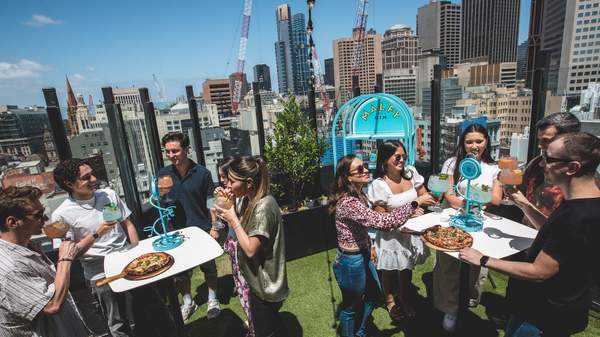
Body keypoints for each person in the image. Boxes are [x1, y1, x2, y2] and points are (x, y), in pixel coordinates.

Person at [460, 132, 600, 337]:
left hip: (542, 315)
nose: (542, 164)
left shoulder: (576, 217)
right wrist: (523, 203)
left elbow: (539, 271)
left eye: (549, 159)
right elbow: (553, 231)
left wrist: (482, 259)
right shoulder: (585, 202)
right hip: (566, 308)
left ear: (572, 168)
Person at [329, 154, 433, 337]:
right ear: (348, 177)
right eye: (360, 169)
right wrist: (415, 203)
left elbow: (364, 227)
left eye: (365, 166)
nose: (366, 170)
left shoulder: (359, 194)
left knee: (372, 296)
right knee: (351, 307)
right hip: (350, 262)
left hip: (363, 253)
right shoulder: (349, 202)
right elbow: (382, 221)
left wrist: (371, 247)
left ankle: (360, 332)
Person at [52, 159, 139, 337]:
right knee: (118, 324)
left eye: (92, 173)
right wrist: (96, 234)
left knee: (144, 312)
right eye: (86, 177)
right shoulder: (61, 215)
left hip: (129, 263)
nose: (94, 179)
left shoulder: (108, 195)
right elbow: (69, 254)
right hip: (101, 274)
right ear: (69, 184)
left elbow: (127, 224)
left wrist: (137, 252)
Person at [434, 122, 503, 332]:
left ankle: (469, 301)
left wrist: (475, 202)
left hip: (479, 222)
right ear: (462, 144)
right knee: (448, 265)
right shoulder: (452, 163)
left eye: (479, 141)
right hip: (453, 220)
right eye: (469, 141)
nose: (474, 145)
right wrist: (471, 201)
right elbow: (448, 194)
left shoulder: (494, 168)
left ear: (487, 142)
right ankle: (449, 308)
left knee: (475, 265)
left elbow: (497, 199)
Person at [0, 186, 90, 337]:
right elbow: (51, 305)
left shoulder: (27, 246)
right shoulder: (10, 268)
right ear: (13, 222)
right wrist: (65, 259)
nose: (46, 219)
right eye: (38, 215)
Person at [213, 156, 288, 337]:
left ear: (248, 183)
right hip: (257, 281)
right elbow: (243, 228)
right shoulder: (249, 200)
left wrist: (232, 218)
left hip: (265, 286)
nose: (227, 185)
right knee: (270, 325)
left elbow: (250, 249)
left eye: (231, 181)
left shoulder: (264, 206)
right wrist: (230, 208)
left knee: (265, 330)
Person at [367, 140, 434, 321]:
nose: (402, 160)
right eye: (397, 156)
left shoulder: (411, 173)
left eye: (404, 156)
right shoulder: (378, 185)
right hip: (391, 236)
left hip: (411, 233)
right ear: (385, 159)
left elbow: (425, 196)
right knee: (389, 270)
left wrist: (431, 200)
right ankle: (389, 300)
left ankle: (404, 298)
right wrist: (409, 212)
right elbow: (381, 217)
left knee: (406, 268)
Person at [157, 132, 219, 321]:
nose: (170, 155)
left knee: (209, 267)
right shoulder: (163, 175)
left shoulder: (202, 173)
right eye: (167, 151)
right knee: (181, 272)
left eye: (175, 151)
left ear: (187, 150)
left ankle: (213, 299)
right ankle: (188, 302)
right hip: (176, 232)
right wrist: (159, 195)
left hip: (201, 228)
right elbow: (158, 202)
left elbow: (210, 202)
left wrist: (215, 227)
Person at [212, 156, 255, 337]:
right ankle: (252, 320)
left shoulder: (248, 198)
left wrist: (230, 210)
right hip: (233, 243)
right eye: (221, 177)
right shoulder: (230, 194)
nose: (224, 181)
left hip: (243, 246)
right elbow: (220, 216)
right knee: (240, 284)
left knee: (247, 287)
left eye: (227, 178)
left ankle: (255, 325)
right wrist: (218, 212)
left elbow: (242, 225)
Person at [520, 112, 580, 224]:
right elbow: (522, 192)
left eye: (546, 140)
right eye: (539, 140)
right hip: (526, 234)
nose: (540, 145)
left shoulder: (584, 176)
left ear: (570, 139)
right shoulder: (535, 164)